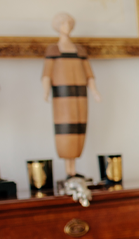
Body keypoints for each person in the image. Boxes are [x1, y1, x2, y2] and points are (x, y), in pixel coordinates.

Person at [42, 12, 101, 178]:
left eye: (68, 24)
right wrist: (46, 91)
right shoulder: (53, 50)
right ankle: (68, 170)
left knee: (79, 128)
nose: (66, 27)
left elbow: (89, 73)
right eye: (63, 24)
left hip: (80, 95)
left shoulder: (79, 50)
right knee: (65, 129)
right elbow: (47, 73)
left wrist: (94, 91)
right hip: (62, 96)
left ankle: (73, 170)